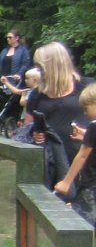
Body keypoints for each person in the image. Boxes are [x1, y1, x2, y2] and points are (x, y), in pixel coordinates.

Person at [27, 42, 88, 190]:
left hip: (84, 162)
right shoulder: (36, 94)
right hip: (51, 162)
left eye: (41, 67)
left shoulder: (87, 87)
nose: (39, 72)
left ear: (53, 65)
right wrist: (35, 134)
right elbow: (28, 127)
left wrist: (88, 134)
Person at [52, 82, 96, 225]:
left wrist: (66, 182)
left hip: (91, 185)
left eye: (86, 108)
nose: (84, 113)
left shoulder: (93, 126)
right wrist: (86, 137)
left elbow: (82, 156)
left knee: (83, 221)